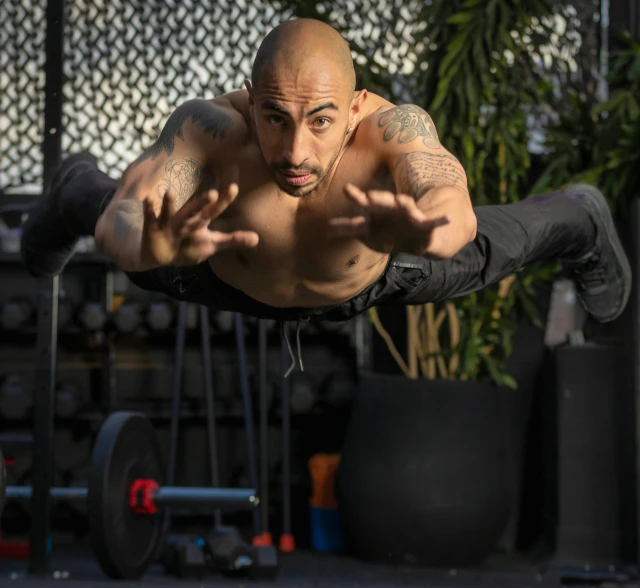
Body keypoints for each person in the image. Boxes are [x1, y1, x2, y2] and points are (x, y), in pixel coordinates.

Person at [20, 18, 631, 373]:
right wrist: (147, 245)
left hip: (386, 269)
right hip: (212, 270)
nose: (294, 154)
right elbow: (127, 214)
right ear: (249, 99)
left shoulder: (392, 129)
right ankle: (72, 184)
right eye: (275, 117)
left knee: (523, 235)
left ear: (357, 106)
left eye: (319, 120)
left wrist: (430, 232)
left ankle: (583, 216)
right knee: (98, 203)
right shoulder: (210, 128)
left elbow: (448, 198)